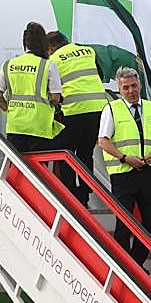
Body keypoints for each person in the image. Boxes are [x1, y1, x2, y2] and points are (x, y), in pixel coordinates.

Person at [96, 67, 151, 268]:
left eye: (134, 86)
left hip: (148, 171)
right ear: (119, 89)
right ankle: (124, 265)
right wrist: (124, 157)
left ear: (140, 85)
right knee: (124, 223)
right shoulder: (112, 109)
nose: (131, 91)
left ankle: (135, 262)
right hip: (124, 174)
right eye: (125, 88)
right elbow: (103, 141)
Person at [48, 31, 108, 204]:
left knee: (65, 152)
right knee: (85, 152)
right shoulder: (88, 51)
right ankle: (85, 189)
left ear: (51, 47)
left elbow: (52, 89)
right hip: (98, 110)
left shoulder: (54, 60)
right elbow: (101, 75)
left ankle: (71, 193)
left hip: (73, 110)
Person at [0, 22, 63, 153]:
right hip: (39, 127)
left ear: (25, 42)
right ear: (43, 42)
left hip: (15, 126)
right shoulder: (48, 65)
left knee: (17, 167)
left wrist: (8, 110)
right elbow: (55, 98)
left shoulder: (9, 64)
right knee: (37, 170)